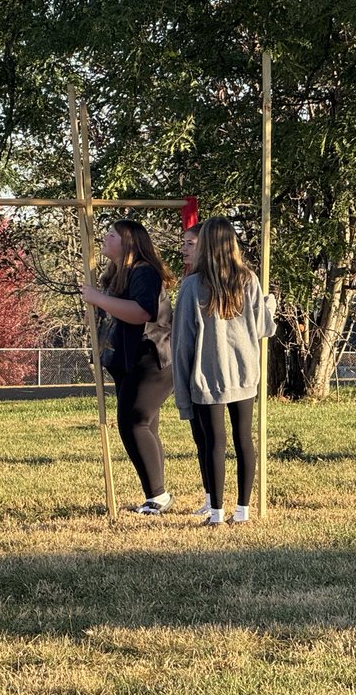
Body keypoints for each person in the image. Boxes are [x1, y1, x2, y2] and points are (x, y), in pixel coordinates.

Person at [172, 216, 277, 526]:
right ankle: (242, 510)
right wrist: (269, 305)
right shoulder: (249, 280)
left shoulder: (192, 285)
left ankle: (216, 513)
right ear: (232, 243)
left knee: (214, 443)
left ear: (205, 244)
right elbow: (262, 328)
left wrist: (182, 392)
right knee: (244, 439)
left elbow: (182, 343)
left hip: (207, 377)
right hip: (245, 374)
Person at [80, 220, 177, 515]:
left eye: (112, 234)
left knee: (134, 422)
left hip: (152, 359)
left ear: (129, 243)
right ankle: (156, 492)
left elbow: (142, 312)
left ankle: (157, 495)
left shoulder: (144, 271)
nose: (105, 238)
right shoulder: (119, 273)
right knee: (144, 424)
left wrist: (98, 299)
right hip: (128, 359)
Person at [179, 222, 213, 517]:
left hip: (225, 376)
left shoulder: (238, 280)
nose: (183, 249)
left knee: (220, 438)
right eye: (184, 243)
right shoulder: (189, 283)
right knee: (202, 438)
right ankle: (211, 496)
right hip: (197, 373)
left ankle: (238, 504)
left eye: (190, 243)